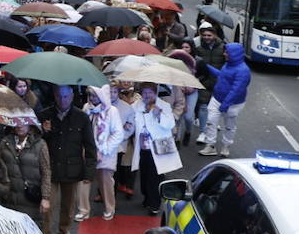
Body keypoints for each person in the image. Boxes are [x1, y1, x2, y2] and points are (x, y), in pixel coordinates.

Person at [37, 85, 97, 234]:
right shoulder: (44, 115)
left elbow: (90, 146)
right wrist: (44, 132)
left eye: (66, 96)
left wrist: (89, 173)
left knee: (68, 208)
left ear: (71, 97)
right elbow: (37, 141)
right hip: (51, 168)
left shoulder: (82, 117)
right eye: (59, 96)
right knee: (47, 206)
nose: (63, 100)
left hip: (73, 170)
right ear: (55, 96)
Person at [0, 119, 53, 234]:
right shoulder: (5, 142)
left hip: (30, 195)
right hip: (9, 194)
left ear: (30, 124)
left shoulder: (40, 144)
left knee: (32, 228)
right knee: (6, 232)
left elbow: (46, 171)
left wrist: (46, 197)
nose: (19, 125)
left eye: (23, 122)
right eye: (16, 122)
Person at [128, 83, 181, 216]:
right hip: (142, 146)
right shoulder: (136, 106)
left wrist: (159, 115)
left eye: (150, 93)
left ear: (155, 93)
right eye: (144, 93)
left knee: (155, 177)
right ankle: (147, 198)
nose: (147, 96)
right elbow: (131, 120)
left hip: (157, 148)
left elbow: (170, 124)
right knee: (144, 175)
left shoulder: (164, 106)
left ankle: (154, 204)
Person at [198, 42, 249, 159]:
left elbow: (236, 90)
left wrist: (225, 104)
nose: (224, 54)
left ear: (234, 54)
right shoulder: (228, 65)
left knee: (230, 125)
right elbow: (222, 76)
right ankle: (210, 145)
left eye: (227, 52)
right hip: (217, 99)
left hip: (233, 104)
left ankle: (226, 145)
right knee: (211, 121)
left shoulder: (243, 71)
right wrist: (207, 67)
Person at [85, 83, 125, 222]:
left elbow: (118, 133)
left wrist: (104, 149)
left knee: (106, 182)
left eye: (95, 95)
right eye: (90, 95)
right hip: (89, 150)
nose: (92, 98)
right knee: (85, 180)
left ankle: (109, 208)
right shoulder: (87, 108)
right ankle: (83, 209)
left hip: (105, 153)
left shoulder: (111, 110)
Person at [191, 24, 226, 141]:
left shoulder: (223, 48)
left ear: (215, 35)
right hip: (204, 82)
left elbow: (227, 64)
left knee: (215, 109)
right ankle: (203, 132)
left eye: (209, 35)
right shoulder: (199, 49)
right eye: (204, 35)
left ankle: (213, 126)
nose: (206, 37)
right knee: (203, 107)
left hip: (218, 84)